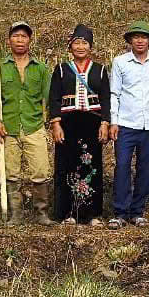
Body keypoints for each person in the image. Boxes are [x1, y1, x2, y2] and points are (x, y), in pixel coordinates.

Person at [48, 24, 110, 225]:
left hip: (92, 123)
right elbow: (54, 98)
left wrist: (105, 123)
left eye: (85, 43)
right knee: (66, 166)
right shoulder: (61, 69)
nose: (81, 47)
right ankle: (67, 213)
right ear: (70, 46)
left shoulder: (100, 70)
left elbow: (106, 98)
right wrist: (56, 124)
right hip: (68, 124)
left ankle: (91, 214)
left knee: (91, 166)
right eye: (77, 43)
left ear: (90, 46)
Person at [109, 21, 149, 228]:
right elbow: (115, 93)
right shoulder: (120, 62)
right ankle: (120, 212)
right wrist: (114, 121)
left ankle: (137, 211)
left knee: (145, 168)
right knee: (122, 166)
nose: (140, 41)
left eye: (144, 37)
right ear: (130, 41)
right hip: (126, 124)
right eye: (136, 37)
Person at [0, 21, 52, 224]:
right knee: (11, 173)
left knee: (40, 170)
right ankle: (16, 214)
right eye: (15, 36)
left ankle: (41, 213)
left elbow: (49, 98)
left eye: (23, 36)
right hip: (8, 128)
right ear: (9, 40)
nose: (19, 40)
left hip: (34, 127)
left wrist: (49, 121)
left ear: (29, 40)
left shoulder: (40, 69)